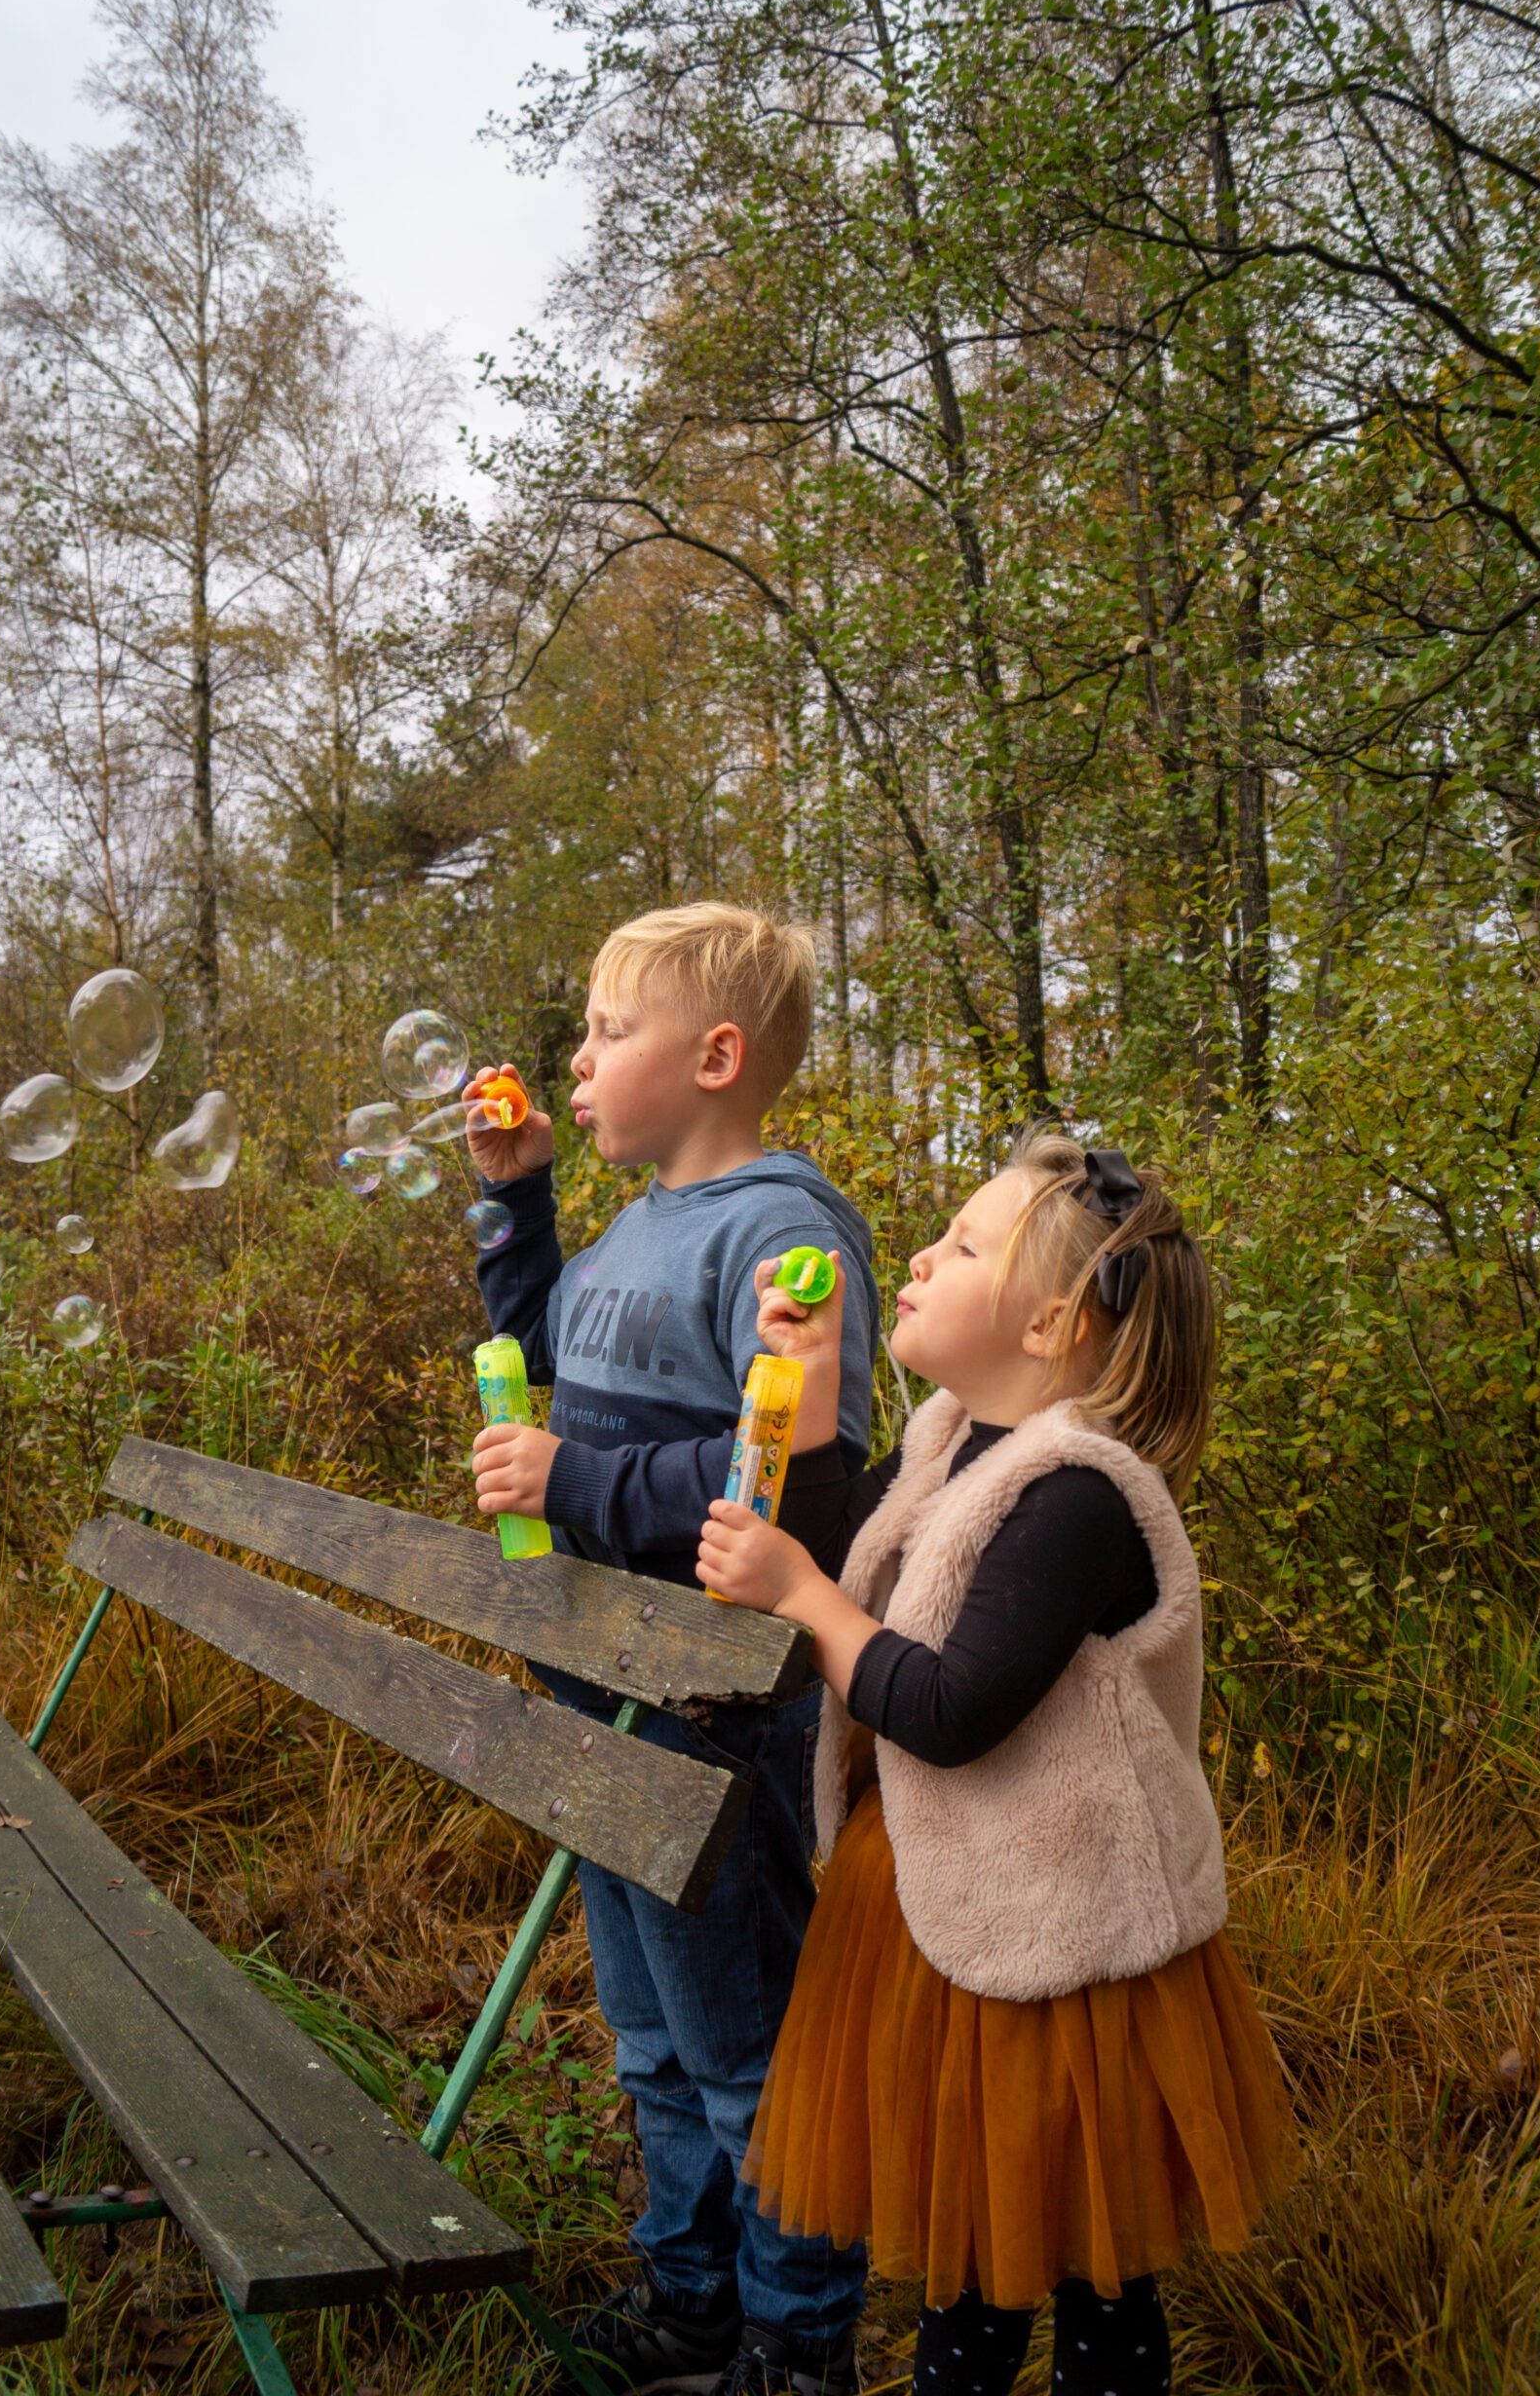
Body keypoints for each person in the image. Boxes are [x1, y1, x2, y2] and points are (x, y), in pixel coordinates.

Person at [696, 1131, 1299, 2396]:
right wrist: (802, 1387)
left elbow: (946, 1702)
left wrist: (803, 1595)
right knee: (972, 2261)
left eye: (963, 1244)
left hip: (1072, 1953)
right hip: (939, 1913)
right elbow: (824, 1553)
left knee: (1089, 2271)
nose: (919, 1253)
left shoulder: (1079, 1492)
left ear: (1053, 1324)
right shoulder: (941, 1444)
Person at [463, 903, 881, 2396]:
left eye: (605, 1031)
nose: (575, 1061)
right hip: (600, 1681)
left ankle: (795, 2343)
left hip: (714, 1702)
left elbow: (797, 1483)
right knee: (648, 2039)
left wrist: (570, 1486)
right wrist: (519, 1207)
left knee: (742, 2039)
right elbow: (542, 1371)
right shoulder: (634, 1227)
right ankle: (693, 2307)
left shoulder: (782, 1227)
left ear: (714, 1056)